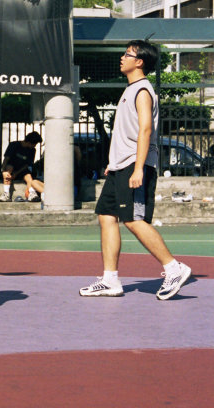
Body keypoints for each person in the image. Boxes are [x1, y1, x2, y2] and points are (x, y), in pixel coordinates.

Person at [80, 40, 192, 301]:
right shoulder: (130, 89)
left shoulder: (142, 90)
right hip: (121, 165)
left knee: (133, 219)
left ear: (139, 61)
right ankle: (110, 279)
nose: (122, 58)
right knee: (106, 216)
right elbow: (127, 132)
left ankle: (173, 268)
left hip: (135, 164)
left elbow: (145, 130)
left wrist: (138, 168)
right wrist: (114, 162)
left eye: (127, 54)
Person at [0, 131, 44, 202]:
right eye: (35, 144)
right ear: (30, 142)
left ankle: (31, 194)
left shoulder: (32, 150)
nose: (35, 146)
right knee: (8, 168)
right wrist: (3, 170)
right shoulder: (13, 145)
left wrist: (16, 173)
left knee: (29, 176)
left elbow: (27, 164)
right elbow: (6, 159)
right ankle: (6, 194)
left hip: (22, 170)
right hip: (10, 168)